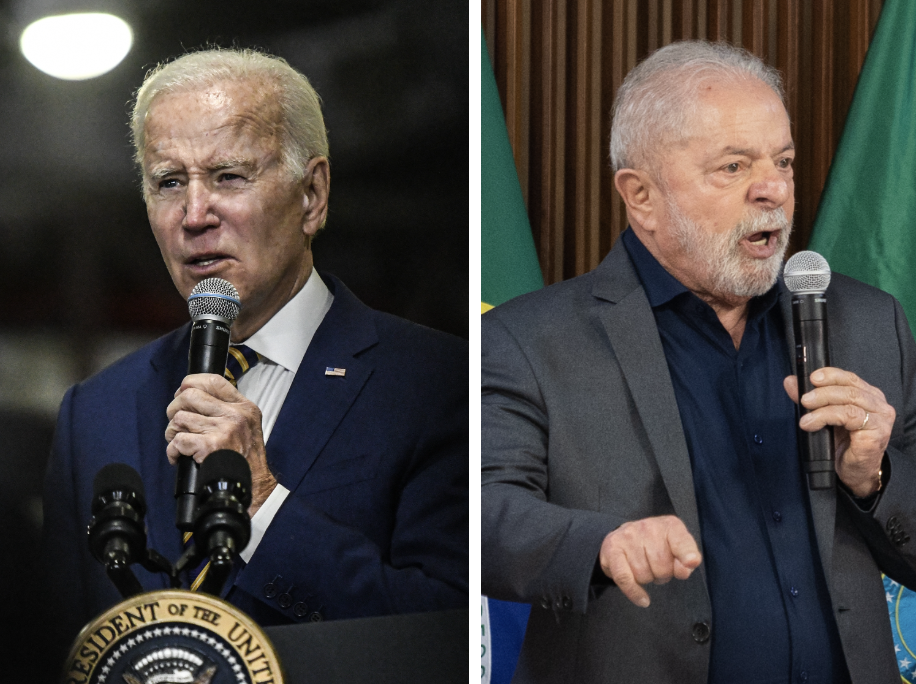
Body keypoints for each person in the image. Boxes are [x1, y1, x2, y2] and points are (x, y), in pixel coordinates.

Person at [481, 40, 916, 683]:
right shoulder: (531, 340)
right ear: (642, 197)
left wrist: (872, 477)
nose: (773, 189)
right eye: (733, 167)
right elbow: (483, 514)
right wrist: (599, 545)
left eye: (785, 161)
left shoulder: (869, 321)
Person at [42, 48, 467, 653]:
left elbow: (445, 642)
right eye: (168, 182)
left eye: (228, 177)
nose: (193, 215)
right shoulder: (93, 412)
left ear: (312, 195)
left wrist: (263, 503)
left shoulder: (437, 384)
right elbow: (60, 650)